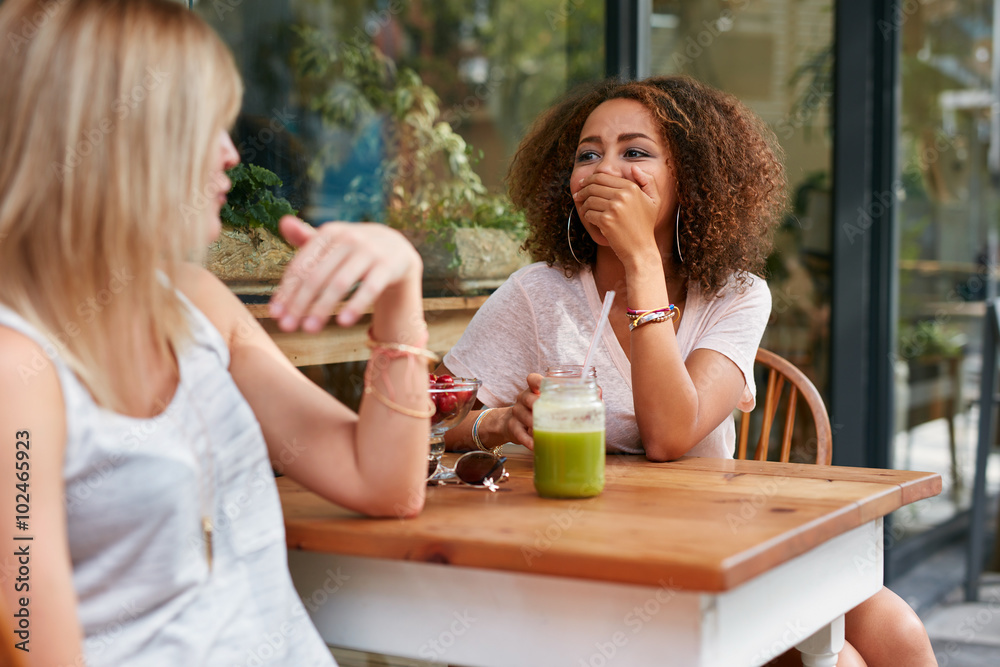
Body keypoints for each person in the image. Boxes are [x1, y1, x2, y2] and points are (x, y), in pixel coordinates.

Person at [435, 76, 936, 667]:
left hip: (716, 539)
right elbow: (432, 417)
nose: (605, 169)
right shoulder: (536, 294)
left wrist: (640, 260)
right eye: (588, 154)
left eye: (635, 153)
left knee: (897, 634)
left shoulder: (736, 296)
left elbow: (675, 429)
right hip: (580, 558)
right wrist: (497, 422)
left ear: (690, 182)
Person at [0, 1, 431, 666]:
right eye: (204, 127)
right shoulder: (16, 371)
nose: (232, 153)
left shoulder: (195, 301)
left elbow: (384, 482)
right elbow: (28, 636)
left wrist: (401, 291)